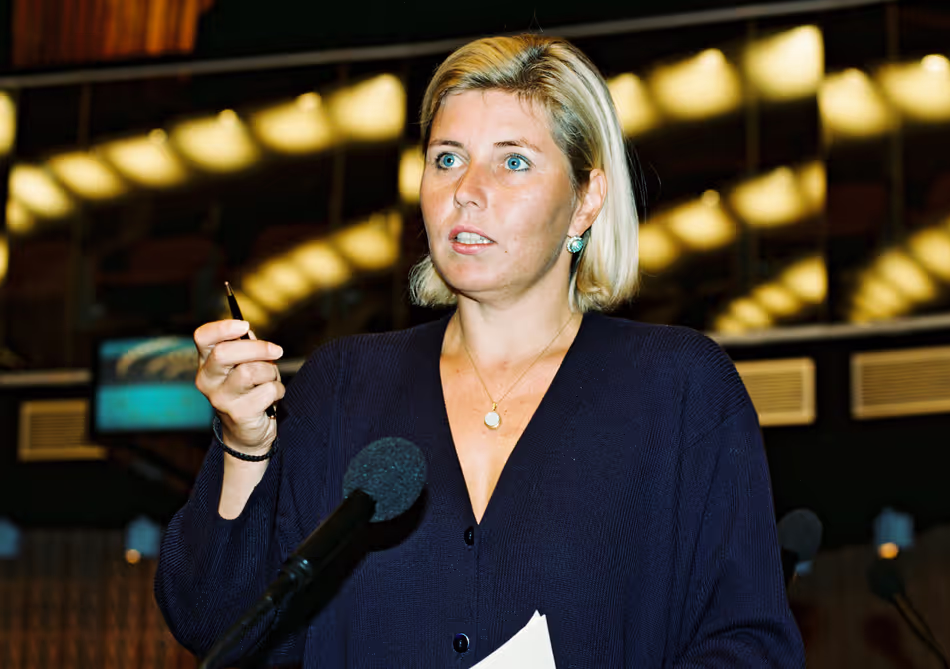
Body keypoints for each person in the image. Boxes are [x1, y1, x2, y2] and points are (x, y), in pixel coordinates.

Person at [155, 34, 806, 668]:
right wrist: (244, 443)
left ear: (586, 199)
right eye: (446, 158)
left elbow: (750, 643)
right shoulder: (345, 384)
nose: (467, 187)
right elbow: (219, 627)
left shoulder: (680, 388)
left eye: (513, 160)